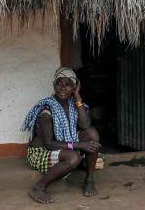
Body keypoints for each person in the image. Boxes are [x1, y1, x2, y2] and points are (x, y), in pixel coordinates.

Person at [22, 67, 101, 204]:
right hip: (42, 152)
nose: (63, 88)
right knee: (73, 157)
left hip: (63, 145)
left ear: (74, 87)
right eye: (59, 83)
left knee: (92, 134)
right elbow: (49, 144)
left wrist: (77, 97)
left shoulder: (73, 104)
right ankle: (38, 187)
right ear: (54, 85)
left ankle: (89, 179)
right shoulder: (46, 110)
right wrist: (81, 145)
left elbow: (85, 125)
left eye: (68, 84)